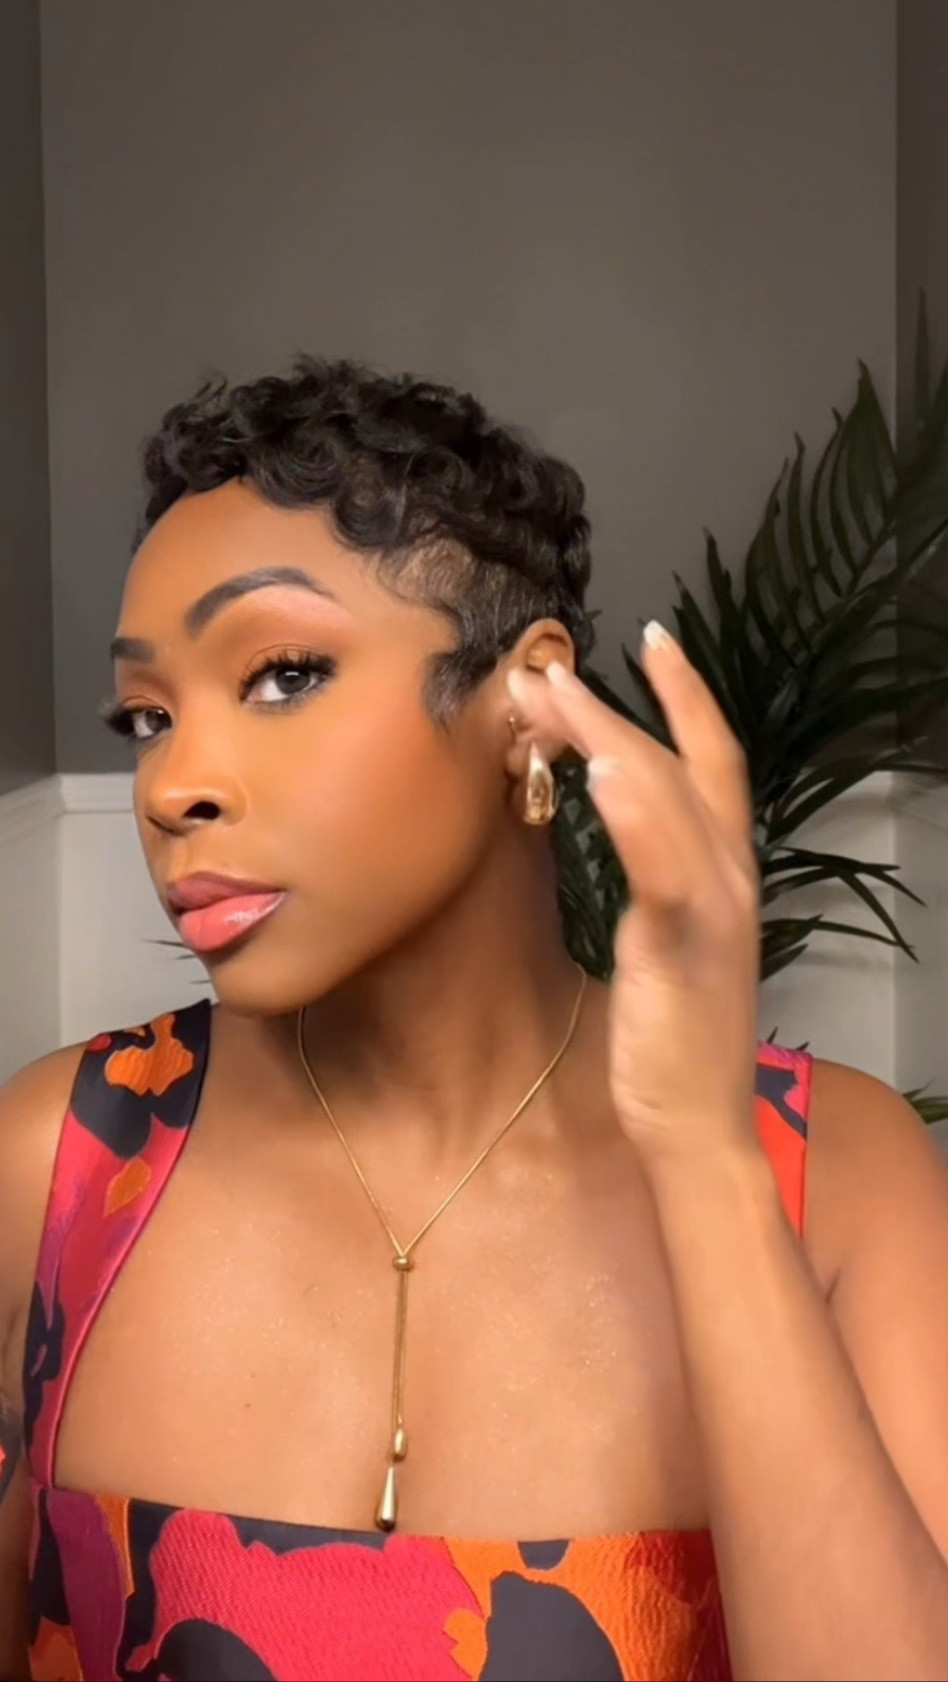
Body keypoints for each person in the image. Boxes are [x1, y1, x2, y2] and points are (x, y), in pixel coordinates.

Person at [0, 358, 947, 1682]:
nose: (170, 787)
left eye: (280, 674)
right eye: (147, 715)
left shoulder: (840, 1179)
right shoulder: (60, 1165)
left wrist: (703, 1160)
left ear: (527, 702)